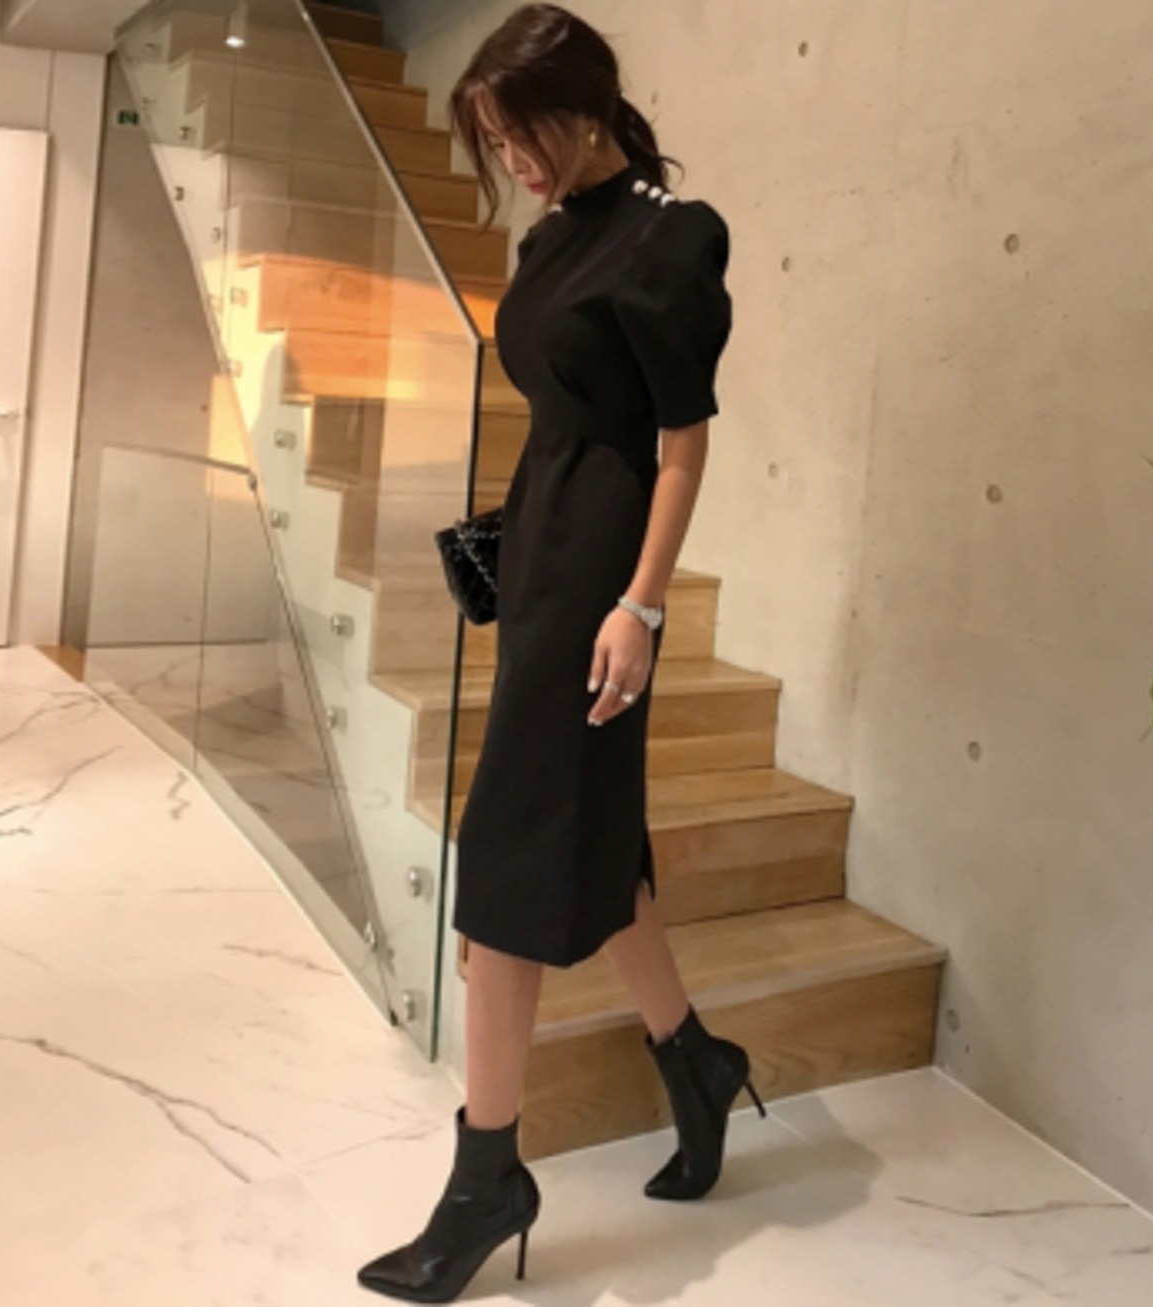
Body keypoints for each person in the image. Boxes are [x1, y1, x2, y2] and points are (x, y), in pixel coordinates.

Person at [357, 4, 763, 1301]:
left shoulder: (670, 239)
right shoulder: (549, 240)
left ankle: (487, 1172)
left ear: (585, 106)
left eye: (522, 131)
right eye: (493, 141)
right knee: (592, 837)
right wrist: (511, 532)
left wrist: (641, 606)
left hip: (603, 578)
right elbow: (560, 413)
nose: (513, 160)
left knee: (507, 855)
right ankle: (695, 1060)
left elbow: (682, 447)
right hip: (543, 551)